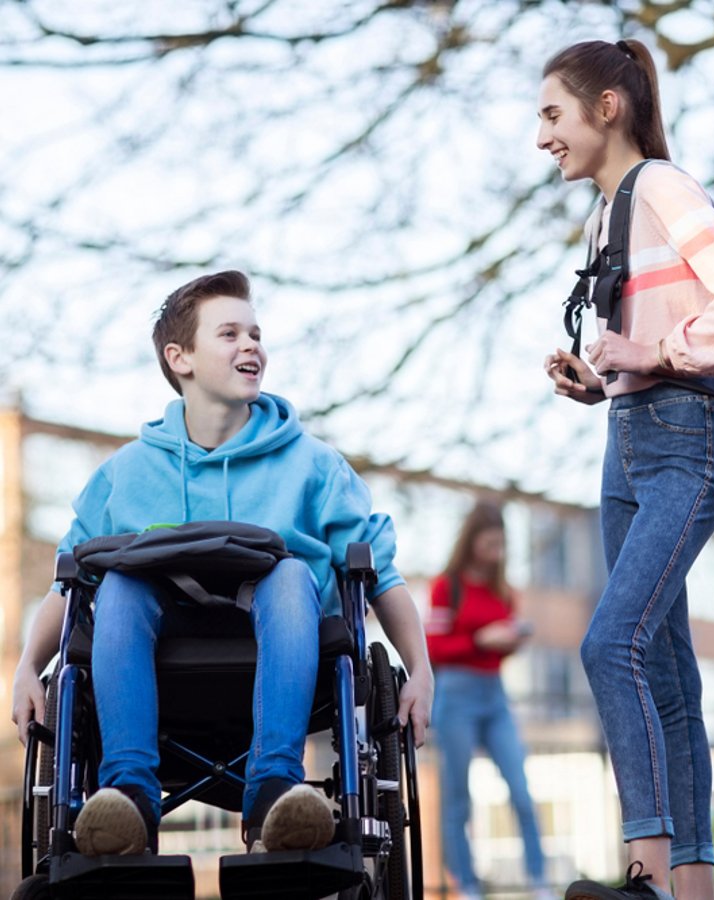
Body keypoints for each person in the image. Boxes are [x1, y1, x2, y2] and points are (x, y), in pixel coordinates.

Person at [11, 270, 434, 857]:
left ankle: (275, 796)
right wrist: (30, 667)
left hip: (284, 647)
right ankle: (127, 800)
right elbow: (70, 579)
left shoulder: (313, 465)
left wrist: (420, 667)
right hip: (157, 655)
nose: (251, 345)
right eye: (230, 333)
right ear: (179, 358)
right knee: (121, 582)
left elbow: (378, 573)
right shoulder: (127, 472)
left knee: (288, 571)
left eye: (256, 333)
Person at [538, 40, 714, 900]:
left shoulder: (666, 189)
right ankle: (691, 893)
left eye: (552, 115)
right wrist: (599, 378)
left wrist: (656, 350)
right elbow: (642, 350)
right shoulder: (603, 215)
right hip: (627, 442)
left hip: (688, 441)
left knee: (613, 644)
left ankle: (643, 877)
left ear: (607, 107)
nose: (542, 137)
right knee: (670, 679)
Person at [427, 500, 553, 900]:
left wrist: (509, 641)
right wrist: (482, 639)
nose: (496, 552)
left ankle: (539, 881)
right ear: (472, 541)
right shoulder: (447, 586)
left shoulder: (504, 590)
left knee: (521, 789)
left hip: (494, 694)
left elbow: (499, 651)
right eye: (489, 543)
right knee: (458, 798)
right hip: (456, 695)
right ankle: (466, 886)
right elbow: (433, 647)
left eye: (501, 544)